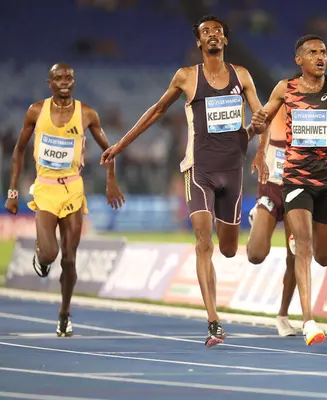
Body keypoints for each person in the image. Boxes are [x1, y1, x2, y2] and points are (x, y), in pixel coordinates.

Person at [100, 15, 266, 348]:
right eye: (206, 32)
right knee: (204, 242)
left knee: (230, 249)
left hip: (232, 170)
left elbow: (262, 117)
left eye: (218, 31)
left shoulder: (242, 76)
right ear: (199, 43)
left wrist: (258, 145)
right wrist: (121, 144)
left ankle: (250, 220)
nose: (213, 35)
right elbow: (156, 111)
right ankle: (213, 321)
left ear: (225, 40)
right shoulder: (187, 77)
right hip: (199, 170)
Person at [251, 35, 327, 346]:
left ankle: (304, 312)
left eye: (324, 52)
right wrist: (257, 124)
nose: (321, 57)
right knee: (303, 246)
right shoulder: (284, 89)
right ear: (298, 60)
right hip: (295, 181)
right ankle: (309, 321)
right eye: (313, 52)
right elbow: (262, 119)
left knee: (324, 257)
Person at [4, 63, 125, 337]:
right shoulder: (36, 111)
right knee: (50, 254)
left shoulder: (87, 114)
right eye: (58, 77)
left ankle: (65, 313)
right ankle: (42, 255)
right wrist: (12, 192)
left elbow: (110, 151)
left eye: (69, 77)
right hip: (45, 189)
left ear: (74, 81)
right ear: (50, 83)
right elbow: (19, 150)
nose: (64, 81)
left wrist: (111, 182)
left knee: (70, 259)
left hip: (72, 188)